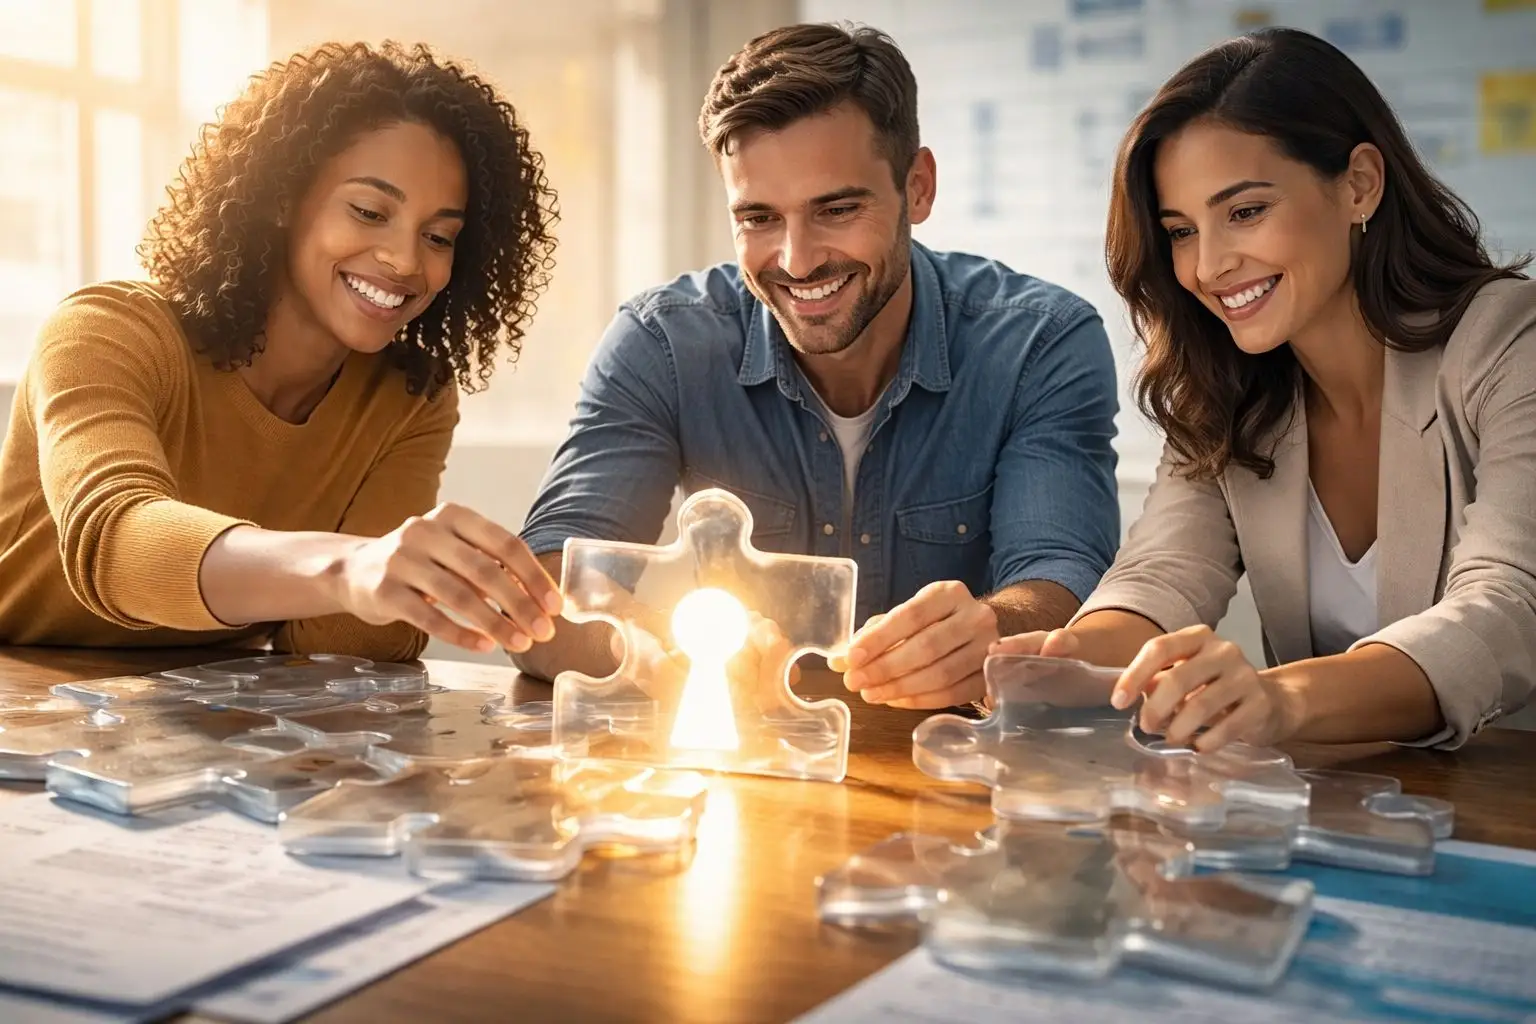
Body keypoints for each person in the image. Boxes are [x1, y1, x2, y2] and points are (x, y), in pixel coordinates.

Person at [513, 23, 1120, 708]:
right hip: (746, 758)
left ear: (918, 188)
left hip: (960, 767)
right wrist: (653, 655)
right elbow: (541, 588)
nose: (797, 261)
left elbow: (1065, 578)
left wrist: (993, 630)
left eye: (836, 209)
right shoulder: (663, 343)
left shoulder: (1041, 343)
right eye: (760, 218)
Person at [996, 27, 1536, 753]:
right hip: (1337, 815)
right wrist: (1045, 664)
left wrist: (1278, 700)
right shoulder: (1228, 385)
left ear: (1359, 185)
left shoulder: (1510, 343)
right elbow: (1162, 576)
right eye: (1181, 230)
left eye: (1245, 212)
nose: (1210, 265)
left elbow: (1508, 606)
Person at [0, 42, 564, 662]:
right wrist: (348, 568)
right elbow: (116, 543)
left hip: (187, 725)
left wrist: (414, 584)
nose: (406, 261)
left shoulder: (409, 397)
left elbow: (343, 647)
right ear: (279, 197)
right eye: (369, 211)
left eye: (437, 237)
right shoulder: (106, 330)